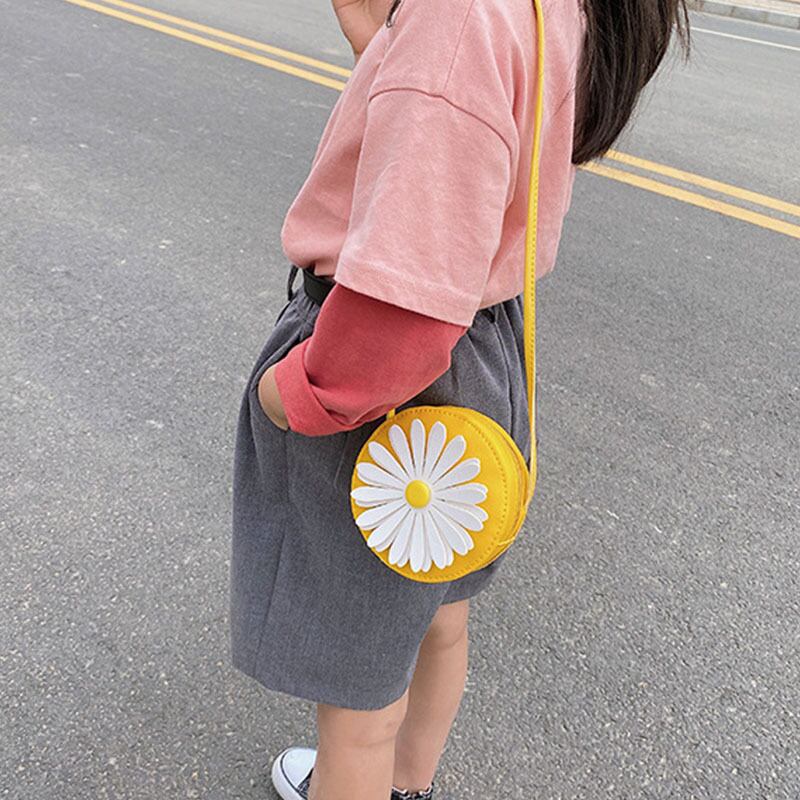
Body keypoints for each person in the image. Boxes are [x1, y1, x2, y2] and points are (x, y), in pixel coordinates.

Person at [230, 0, 690, 797]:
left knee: (359, 704)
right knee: (437, 612)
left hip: (390, 376)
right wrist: (387, 43)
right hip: (478, 353)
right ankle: (408, 786)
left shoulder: (461, 14)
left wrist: (291, 394)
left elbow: (397, 315)